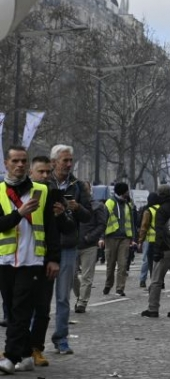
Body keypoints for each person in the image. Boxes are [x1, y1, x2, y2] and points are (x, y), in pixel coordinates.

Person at [0, 145, 60, 374]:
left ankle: (10, 356)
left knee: (21, 308)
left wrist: (53, 259)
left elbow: (51, 228)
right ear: (6, 163)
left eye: (24, 160)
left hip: (32, 260)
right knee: (12, 311)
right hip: (4, 261)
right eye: (15, 161)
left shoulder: (41, 191)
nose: (20, 165)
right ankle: (25, 355)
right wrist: (19, 213)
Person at [25, 156, 73, 367]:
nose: (44, 176)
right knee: (16, 308)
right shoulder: (19, 193)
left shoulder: (54, 195)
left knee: (42, 307)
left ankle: (36, 348)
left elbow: (68, 229)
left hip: (44, 259)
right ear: (31, 173)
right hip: (20, 259)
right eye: (40, 172)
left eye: (47, 172)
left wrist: (62, 215)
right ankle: (15, 347)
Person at [49, 145, 91, 354]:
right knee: (37, 296)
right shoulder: (43, 182)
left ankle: (61, 338)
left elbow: (88, 215)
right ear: (53, 162)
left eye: (70, 160)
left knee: (63, 297)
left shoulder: (78, 185)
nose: (68, 164)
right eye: (64, 160)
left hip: (67, 245)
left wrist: (77, 208)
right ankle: (31, 338)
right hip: (43, 244)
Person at [140, 185, 170, 319]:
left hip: (165, 249)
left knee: (156, 281)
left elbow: (160, 231)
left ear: (160, 195)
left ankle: (153, 308)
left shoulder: (161, 210)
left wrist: (157, 250)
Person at [74, 181, 106, 320]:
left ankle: (82, 302)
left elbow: (102, 224)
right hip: (73, 244)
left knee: (87, 276)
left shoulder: (98, 206)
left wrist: (90, 237)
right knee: (71, 276)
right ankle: (80, 296)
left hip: (89, 245)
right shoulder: (72, 205)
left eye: (85, 189)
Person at [100, 182, 137, 297]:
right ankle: (108, 284)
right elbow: (103, 220)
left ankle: (120, 288)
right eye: (126, 191)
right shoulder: (110, 203)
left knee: (123, 264)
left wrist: (132, 238)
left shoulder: (128, 204)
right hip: (110, 237)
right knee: (110, 264)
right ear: (122, 192)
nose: (127, 193)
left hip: (124, 238)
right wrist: (101, 237)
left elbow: (131, 222)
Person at [137, 192, 160, 288]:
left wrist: (140, 240)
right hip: (160, 238)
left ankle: (143, 279)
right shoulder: (161, 208)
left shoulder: (148, 210)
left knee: (146, 260)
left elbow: (144, 226)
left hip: (149, 238)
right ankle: (159, 280)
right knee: (159, 261)